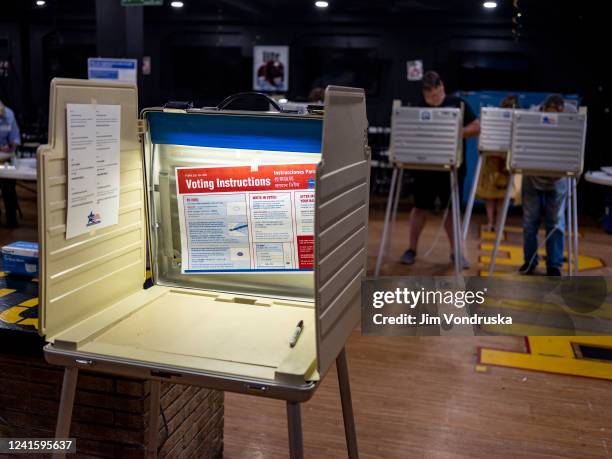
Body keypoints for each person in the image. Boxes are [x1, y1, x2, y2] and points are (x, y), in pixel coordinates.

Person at [400, 71, 480, 268]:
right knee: (419, 208)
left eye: (436, 95)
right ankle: (411, 249)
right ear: (424, 94)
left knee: (451, 212)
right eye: (430, 97)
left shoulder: (458, 103)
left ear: (442, 87)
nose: (434, 100)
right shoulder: (419, 107)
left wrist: (455, 132)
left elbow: (477, 126)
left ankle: (457, 253)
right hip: (425, 168)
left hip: (453, 168)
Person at [520, 94, 567, 276]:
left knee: (555, 223)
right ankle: (530, 262)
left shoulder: (569, 122)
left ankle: (554, 265)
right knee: (529, 223)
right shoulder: (532, 118)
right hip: (532, 178)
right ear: (544, 109)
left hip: (557, 180)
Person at [476, 95, 518, 232]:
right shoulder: (496, 119)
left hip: (500, 163)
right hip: (495, 162)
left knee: (495, 198)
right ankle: (495, 224)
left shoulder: (512, 120)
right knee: (496, 198)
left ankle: (493, 224)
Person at [0, 100, 21, 227]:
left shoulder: (9, 114)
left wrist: (11, 145)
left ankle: (11, 218)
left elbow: (15, 137)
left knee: (8, 185)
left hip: (7, 156)